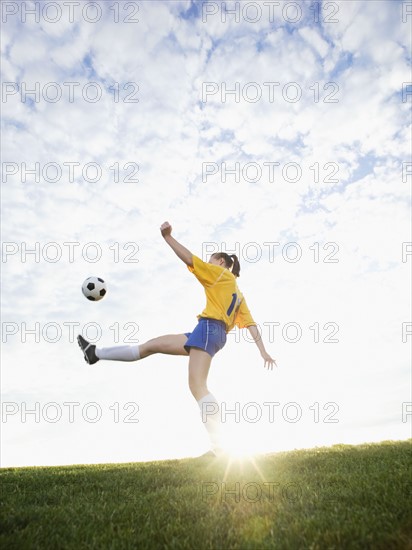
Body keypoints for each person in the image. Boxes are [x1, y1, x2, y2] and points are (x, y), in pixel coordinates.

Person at [78, 221, 277, 456]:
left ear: (221, 262)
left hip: (209, 330)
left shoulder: (221, 274)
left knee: (197, 386)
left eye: (211, 260)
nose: (208, 264)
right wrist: (262, 351)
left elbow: (191, 260)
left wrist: (168, 238)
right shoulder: (238, 294)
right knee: (152, 346)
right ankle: (95, 353)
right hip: (207, 331)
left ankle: (220, 448)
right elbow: (251, 325)